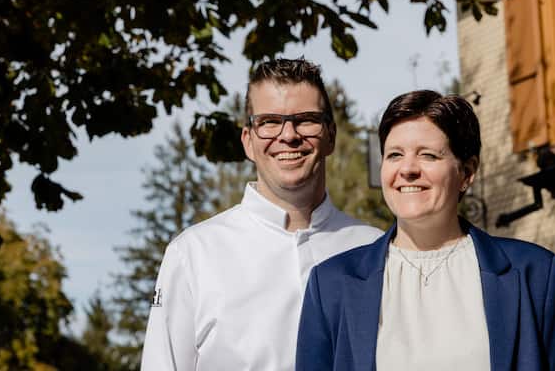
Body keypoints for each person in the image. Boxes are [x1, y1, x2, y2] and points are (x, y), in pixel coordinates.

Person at [296, 90, 555, 371]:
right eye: (394, 155)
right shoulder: (330, 285)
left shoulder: (536, 274)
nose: (407, 169)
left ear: (467, 173)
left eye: (428, 156)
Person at [141, 58, 382, 371]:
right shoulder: (193, 254)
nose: (288, 135)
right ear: (248, 141)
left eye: (306, 119)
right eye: (269, 121)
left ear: (331, 136)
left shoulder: (375, 250)